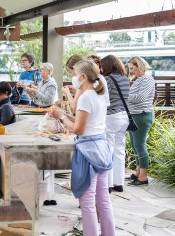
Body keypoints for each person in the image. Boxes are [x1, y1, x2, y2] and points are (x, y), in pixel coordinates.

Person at [49, 60, 115, 236]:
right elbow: (84, 121)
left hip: (88, 151)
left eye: (75, 74)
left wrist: (61, 117)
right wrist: (62, 114)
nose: (74, 78)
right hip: (102, 149)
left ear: (83, 76)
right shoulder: (98, 94)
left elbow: (79, 129)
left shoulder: (86, 97)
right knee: (103, 201)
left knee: (87, 202)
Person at [100, 55, 130, 193]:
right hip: (124, 116)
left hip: (111, 116)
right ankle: (119, 183)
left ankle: (108, 185)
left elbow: (102, 97)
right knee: (119, 150)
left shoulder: (107, 80)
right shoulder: (125, 79)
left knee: (108, 150)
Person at [126, 56, 155, 186]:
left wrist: (123, 95)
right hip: (135, 115)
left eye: (132, 68)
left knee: (140, 146)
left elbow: (141, 98)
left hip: (142, 115)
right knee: (135, 145)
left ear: (139, 66)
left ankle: (143, 177)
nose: (131, 71)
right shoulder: (140, 79)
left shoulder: (147, 79)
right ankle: (138, 173)